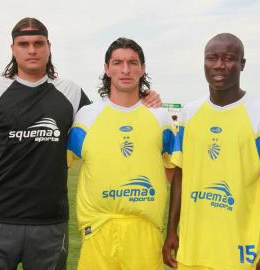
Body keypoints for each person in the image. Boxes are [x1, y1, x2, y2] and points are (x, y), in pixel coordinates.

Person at [0, 18, 160, 270]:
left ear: (49, 46)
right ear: (13, 49)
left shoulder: (70, 93)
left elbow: (107, 117)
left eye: (38, 43)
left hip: (49, 223)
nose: (32, 50)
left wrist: (144, 99)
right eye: (24, 44)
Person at [163, 33, 260, 270]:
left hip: (241, 256)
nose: (219, 65)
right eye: (212, 58)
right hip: (191, 253)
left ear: (242, 64)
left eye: (229, 58)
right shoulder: (189, 114)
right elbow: (180, 174)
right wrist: (171, 230)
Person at [67, 37, 175, 270]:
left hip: (145, 232)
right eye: (117, 62)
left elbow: (174, 174)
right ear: (106, 69)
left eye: (133, 62)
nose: (125, 69)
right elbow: (56, 167)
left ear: (142, 69)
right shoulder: (86, 117)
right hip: (98, 231)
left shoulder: (161, 118)